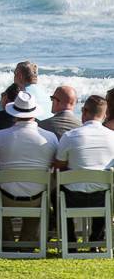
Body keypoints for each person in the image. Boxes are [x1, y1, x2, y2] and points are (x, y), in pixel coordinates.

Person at [0, 91, 58, 247]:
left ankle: (7, 242)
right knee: (41, 190)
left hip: (7, 198)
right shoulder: (50, 137)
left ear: (14, 113)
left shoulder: (0, 136)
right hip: (37, 198)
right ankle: (28, 242)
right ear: (34, 113)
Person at [53, 95, 114, 243]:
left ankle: (71, 241)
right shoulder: (112, 137)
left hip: (73, 198)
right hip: (102, 198)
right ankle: (96, 241)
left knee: (55, 193)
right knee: (106, 189)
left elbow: (58, 166)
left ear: (84, 111)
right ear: (104, 114)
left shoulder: (69, 136)